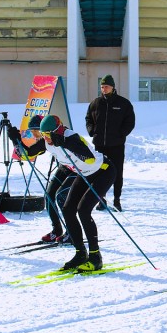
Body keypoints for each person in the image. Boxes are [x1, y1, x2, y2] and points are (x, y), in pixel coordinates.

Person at [14, 115, 114, 271]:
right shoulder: (49, 142)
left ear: (57, 130)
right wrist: (15, 140)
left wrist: (65, 143)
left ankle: (95, 258)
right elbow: (28, 154)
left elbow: (89, 159)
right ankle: (80, 254)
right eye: (43, 134)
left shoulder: (71, 137)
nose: (45, 138)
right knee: (68, 209)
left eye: (48, 134)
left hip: (103, 171)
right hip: (85, 174)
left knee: (83, 210)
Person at [11, 114, 72, 243]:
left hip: (76, 169)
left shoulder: (57, 135)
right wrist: (16, 140)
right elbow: (28, 154)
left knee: (62, 198)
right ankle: (57, 230)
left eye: (34, 131)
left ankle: (72, 232)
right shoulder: (44, 140)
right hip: (64, 167)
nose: (34, 135)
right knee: (49, 196)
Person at [85, 74, 135, 212]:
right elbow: (88, 119)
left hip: (116, 145)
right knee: (100, 173)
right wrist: (92, 131)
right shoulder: (95, 103)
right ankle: (101, 200)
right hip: (100, 145)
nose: (104, 89)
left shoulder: (123, 104)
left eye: (106, 86)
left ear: (113, 87)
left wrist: (121, 134)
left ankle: (117, 200)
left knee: (117, 173)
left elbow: (130, 122)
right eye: (102, 87)